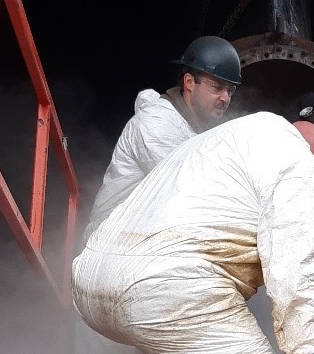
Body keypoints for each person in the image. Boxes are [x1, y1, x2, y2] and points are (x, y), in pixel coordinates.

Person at [72, 93, 314, 354]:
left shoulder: (234, 133)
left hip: (91, 282)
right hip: (166, 292)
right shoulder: (301, 166)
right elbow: (297, 275)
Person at [82, 35, 243, 242]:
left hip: (137, 237)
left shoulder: (191, 129)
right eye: (217, 87)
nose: (225, 98)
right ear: (189, 82)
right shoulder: (156, 123)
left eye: (230, 90)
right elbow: (187, 191)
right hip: (108, 241)